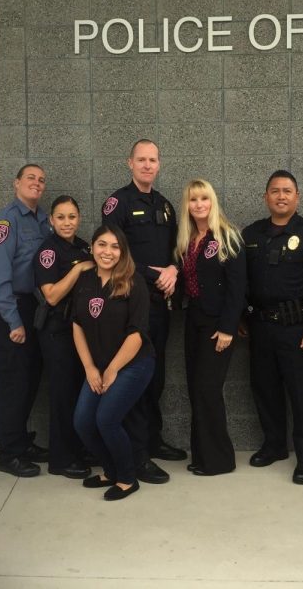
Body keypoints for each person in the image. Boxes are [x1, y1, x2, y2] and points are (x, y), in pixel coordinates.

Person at [242, 170, 303, 485]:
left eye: (287, 191)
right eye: (274, 191)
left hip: (299, 329)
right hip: (261, 328)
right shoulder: (251, 235)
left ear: (297, 197)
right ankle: (274, 446)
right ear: (265, 197)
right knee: (265, 390)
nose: (281, 196)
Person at [102, 138, 184, 485]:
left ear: (159, 165)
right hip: (130, 305)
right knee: (134, 377)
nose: (147, 165)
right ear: (129, 163)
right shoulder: (117, 203)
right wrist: (157, 273)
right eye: (141, 160)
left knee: (156, 377)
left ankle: (152, 439)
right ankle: (137, 456)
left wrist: (174, 270)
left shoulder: (165, 206)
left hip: (160, 305)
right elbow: (113, 254)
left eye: (153, 160)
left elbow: (175, 251)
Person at [72, 225, 155, 501]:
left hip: (132, 364)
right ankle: (110, 470)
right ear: (92, 247)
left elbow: (137, 334)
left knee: (106, 419)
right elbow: (77, 325)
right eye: (102, 245)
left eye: (114, 246)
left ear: (123, 251)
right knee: (83, 422)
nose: (107, 252)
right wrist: (90, 368)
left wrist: (112, 369)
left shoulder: (134, 281)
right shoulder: (85, 279)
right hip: (97, 365)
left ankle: (128, 478)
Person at [175, 179, 246, 476]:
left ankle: (219, 461)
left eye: (204, 198)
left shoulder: (227, 236)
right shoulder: (187, 239)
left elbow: (238, 287)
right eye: (193, 200)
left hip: (218, 326)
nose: (199, 204)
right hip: (194, 321)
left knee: (208, 390)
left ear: (212, 201)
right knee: (196, 389)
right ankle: (202, 456)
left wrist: (229, 328)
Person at [0, 164, 51, 477]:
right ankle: (8, 453)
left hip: (33, 308)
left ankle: (22, 441)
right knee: (13, 383)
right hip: (10, 307)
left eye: (41, 180)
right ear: (16, 184)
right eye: (30, 178)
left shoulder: (42, 220)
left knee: (30, 378)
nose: (36, 184)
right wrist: (13, 322)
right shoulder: (6, 221)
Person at [34, 196, 96, 480]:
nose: (67, 222)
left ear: (79, 218)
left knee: (77, 393)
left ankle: (77, 449)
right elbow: (52, 294)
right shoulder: (48, 251)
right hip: (57, 330)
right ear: (51, 220)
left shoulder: (85, 247)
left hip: (80, 330)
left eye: (72, 216)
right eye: (61, 217)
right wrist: (77, 269)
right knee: (61, 395)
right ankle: (60, 459)